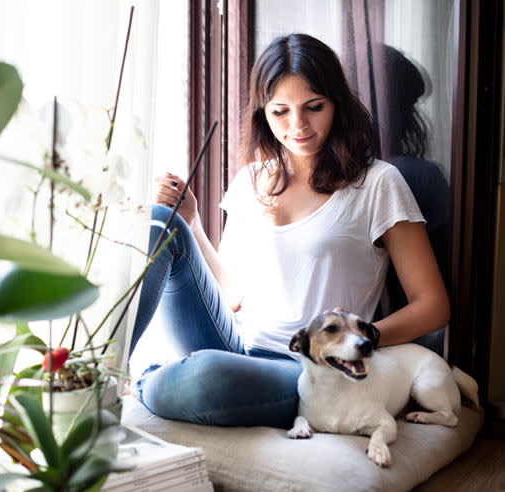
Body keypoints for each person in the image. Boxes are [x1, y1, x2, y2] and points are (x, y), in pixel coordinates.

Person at [128, 33, 450, 428]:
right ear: (263, 112)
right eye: (280, 111)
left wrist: (356, 343)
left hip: (307, 370)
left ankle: (147, 377)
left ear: (337, 104)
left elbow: (433, 305)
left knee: (205, 377)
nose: (298, 125)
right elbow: (231, 296)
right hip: (237, 344)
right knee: (165, 224)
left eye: (313, 107)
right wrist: (192, 222)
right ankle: (111, 364)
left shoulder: (379, 184)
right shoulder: (251, 180)